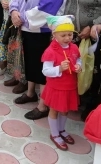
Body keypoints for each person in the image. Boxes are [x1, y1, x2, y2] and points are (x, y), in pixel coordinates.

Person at [10, 0, 68, 120]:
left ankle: (43, 106)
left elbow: (46, 11)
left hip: (43, 33)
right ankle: (30, 93)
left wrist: (22, 18)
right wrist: (13, 12)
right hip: (27, 30)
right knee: (31, 64)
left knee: (43, 69)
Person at [41, 15, 82, 151]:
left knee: (65, 110)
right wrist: (59, 68)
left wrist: (79, 66)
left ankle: (62, 129)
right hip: (57, 87)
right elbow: (46, 71)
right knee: (54, 110)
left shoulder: (74, 48)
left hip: (69, 85)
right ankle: (54, 134)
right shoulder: (50, 51)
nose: (67, 38)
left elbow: (78, 60)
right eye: (63, 35)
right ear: (54, 35)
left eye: (70, 34)